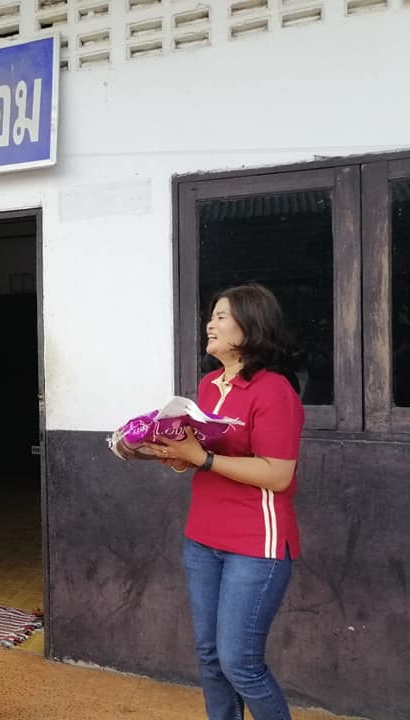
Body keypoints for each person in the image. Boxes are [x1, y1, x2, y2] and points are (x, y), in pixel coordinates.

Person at [145, 284, 304, 720]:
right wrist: (180, 457)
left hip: (256, 543)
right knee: (211, 657)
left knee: (240, 663)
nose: (209, 325)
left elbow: (278, 473)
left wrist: (203, 458)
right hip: (202, 538)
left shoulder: (274, 390)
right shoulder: (209, 385)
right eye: (210, 317)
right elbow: (205, 454)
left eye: (220, 317)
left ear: (250, 327)